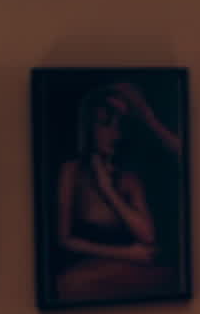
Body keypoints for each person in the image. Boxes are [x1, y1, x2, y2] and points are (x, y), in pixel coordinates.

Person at [52, 81, 180, 302]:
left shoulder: (128, 175)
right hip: (109, 261)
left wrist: (108, 191)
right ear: (89, 127)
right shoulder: (72, 170)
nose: (115, 133)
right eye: (105, 124)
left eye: (120, 125)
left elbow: (148, 235)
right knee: (70, 283)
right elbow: (64, 238)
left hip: (134, 268)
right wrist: (127, 254)